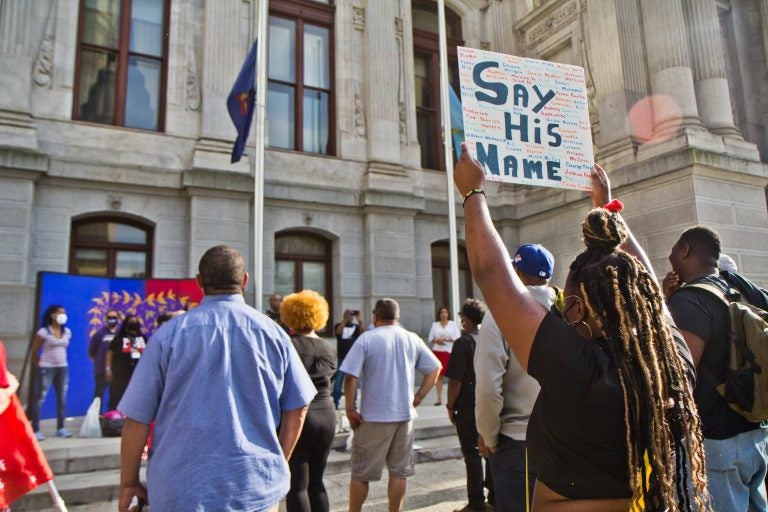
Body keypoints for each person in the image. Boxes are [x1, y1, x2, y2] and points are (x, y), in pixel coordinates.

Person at [453, 143, 708, 511]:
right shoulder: (670, 356)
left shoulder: (578, 368)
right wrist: (607, 209)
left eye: (568, 306)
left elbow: (493, 276)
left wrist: (473, 193)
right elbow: (647, 285)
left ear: (577, 310)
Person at [117, 245, 316, 511]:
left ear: (199, 282)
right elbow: (299, 405)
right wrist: (280, 457)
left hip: (179, 489)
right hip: (254, 486)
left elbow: (137, 418)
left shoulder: (169, 335)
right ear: (245, 280)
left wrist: (129, 482)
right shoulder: (275, 334)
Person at [665, 226, 768, 511]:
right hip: (756, 435)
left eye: (674, 249)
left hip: (716, 445)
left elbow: (679, 376)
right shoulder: (738, 286)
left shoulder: (689, 300)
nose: (670, 254)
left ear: (685, 250)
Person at [475, 243, 557, 512]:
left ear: (517, 272)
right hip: (566, 439)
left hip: (519, 444)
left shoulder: (499, 314)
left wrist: (489, 437)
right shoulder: (567, 311)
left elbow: (488, 388)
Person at [340, 298, 442, 512]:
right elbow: (435, 368)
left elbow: (350, 377)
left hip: (373, 417)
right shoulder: (411, 338)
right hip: (404, 416)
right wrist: (419, 397)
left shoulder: (367, 339)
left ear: (376, 316)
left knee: (361, 473)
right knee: (399, 472)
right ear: (397, 317)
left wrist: (350, 409)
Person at [281, 290, 337, 512]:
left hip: (300, 415)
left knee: (297, 485)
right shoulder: (327, 347)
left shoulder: (289, 345)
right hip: (327, 414)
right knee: (317, 481)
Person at [444, 298, 493, 512]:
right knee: (490, 450)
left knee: (472, 455)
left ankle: (476, 503)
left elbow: (455, 381)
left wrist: (449, 405)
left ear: (466, 319)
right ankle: (494, 498)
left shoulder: (463, 343)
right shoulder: (489, 339)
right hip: (489, 403)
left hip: (468, 405)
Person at [28, 305, 72, 440]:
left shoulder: (67, 332)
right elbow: (34, 351)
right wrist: (40, 364)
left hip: (63, 367)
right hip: (47, 367)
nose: (63, 315)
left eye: (64, 313)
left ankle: (61, 427)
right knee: (40, 397)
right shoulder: (43, 332)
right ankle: (35, 429)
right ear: (52, 315)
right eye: (60, 313)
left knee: (62, 398)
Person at [105, 314, 146, 411]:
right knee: (117, 395)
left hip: (137, 373)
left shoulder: (142, 338)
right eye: (131, 321)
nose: (133, 323)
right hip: (120, 372)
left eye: (135, 321)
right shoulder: (119, 338)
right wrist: (108, 369)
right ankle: (114, 416)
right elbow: (110, 353)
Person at [427, 306, 461, 406]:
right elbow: (430, 338)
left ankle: (453, 398)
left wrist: (446, 340)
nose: (443, 314)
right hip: (438, 351)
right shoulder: (435, 325)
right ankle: (439, 398)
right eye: (441, 312)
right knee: (439, 375)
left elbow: (457, 337)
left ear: (448, 314)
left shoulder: (452, 324)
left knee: (451, 375)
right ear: (439, 314)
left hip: (449, 351)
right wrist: (437, 340)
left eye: (445, 312)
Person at [88, 308, 121, 407]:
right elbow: (91, 351)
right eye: (109, 317)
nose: (111, 319)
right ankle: (97, 416)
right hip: (101, 370)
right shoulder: (99, 334)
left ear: (118, 319)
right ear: (106, 319)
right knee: (99, 394)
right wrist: (99, 362)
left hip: (117, 371)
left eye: (114, 317)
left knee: (116, 395)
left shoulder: (120, 334)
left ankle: (113, 417)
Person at [332, 309, 363, 409]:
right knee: (339, 380)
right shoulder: (339, 325)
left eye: (351, 315)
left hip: (353, 358)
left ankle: (353, 402)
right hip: (342, 357)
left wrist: (360, 321)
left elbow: (363, 335)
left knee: (353, 381)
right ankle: (336, 401)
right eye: (348, 314)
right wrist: (344, 320)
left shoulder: (356, 327)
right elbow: (338, 332)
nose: (350, 316)